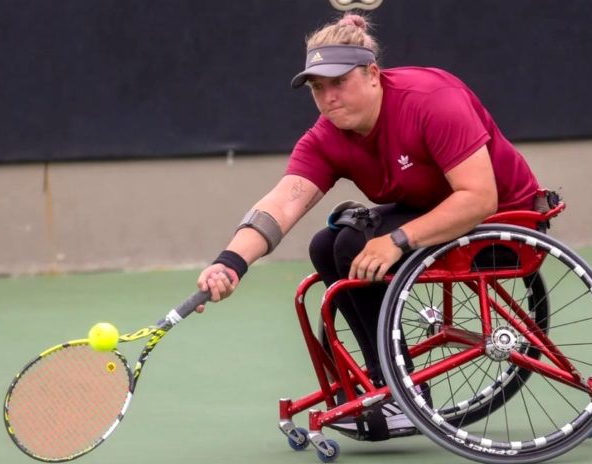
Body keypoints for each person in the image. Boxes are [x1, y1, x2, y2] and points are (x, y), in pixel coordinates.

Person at [195, 13, 539, 440]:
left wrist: (397, 240)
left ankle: (399, 391)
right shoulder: (328, 136)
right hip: (434, 217)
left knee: (355, 244)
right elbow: (282, 203)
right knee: (327, 244)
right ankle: (385, 382)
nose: (327, 97)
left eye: (338, 82)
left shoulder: (431, 99)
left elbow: (479, 197)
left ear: (373, 74)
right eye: (317, 88)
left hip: (503, 225)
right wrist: (230, 263)